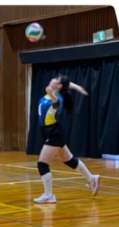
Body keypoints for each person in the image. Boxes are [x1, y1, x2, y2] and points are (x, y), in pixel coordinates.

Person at [34, 74, 100, 204]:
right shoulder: (54, 92)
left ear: (58, 86)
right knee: (70, 160)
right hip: (51, 132)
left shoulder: (56, 99)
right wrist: (78, 87)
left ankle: (49, 195)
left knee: (42, 164)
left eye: (56, 80)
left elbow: (54, 94)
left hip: (53, 133)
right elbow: (66, 85)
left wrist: (54, 90)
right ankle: (92, 178)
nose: (53, 79)